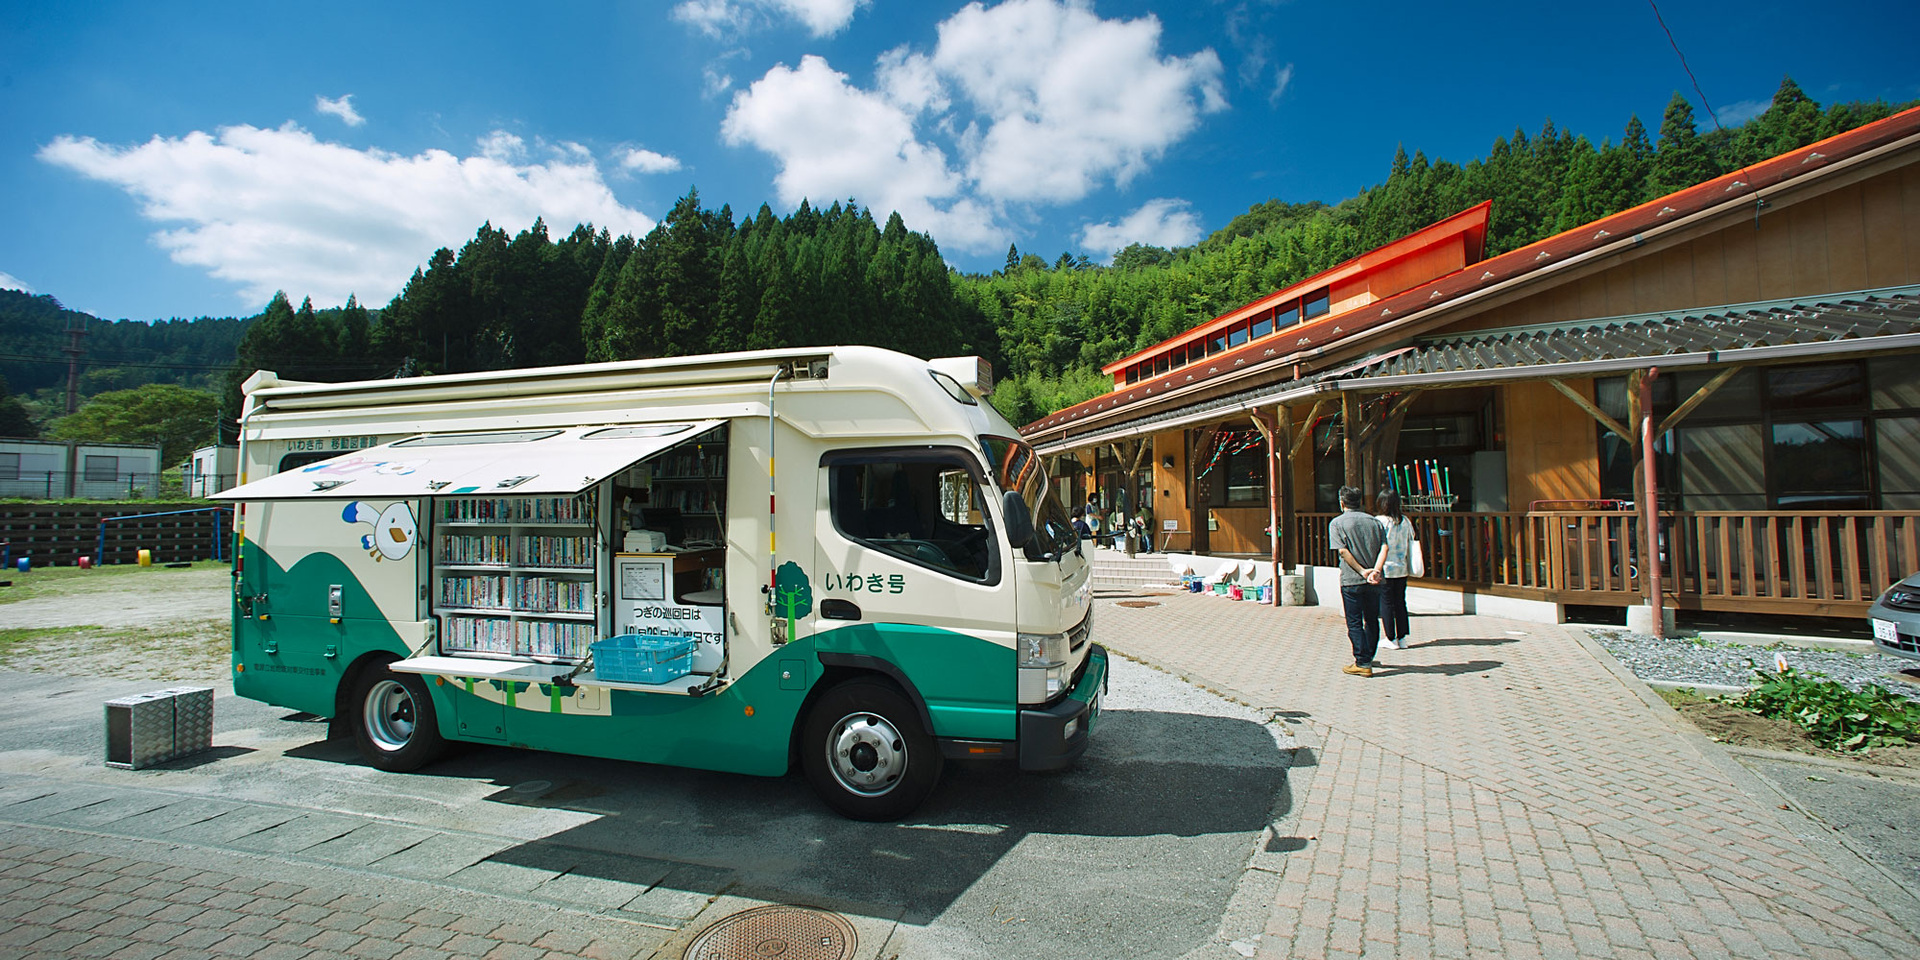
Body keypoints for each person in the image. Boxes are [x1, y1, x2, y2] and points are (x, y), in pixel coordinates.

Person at [1329, 485, 1387, 676]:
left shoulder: (1337, 524)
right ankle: (1368, 657)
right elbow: (1384, 548)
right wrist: (1376, 571)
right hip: (1375, 579)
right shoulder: (1375, 522)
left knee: (1354, 622)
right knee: (1372, 619)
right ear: (1360, 502)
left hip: (1352, 578)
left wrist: (1363, 571)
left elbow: (1343, 552)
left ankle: (1362, 661)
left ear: (1342, 502)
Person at [1373, 489, 1416, 650]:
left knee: (1386, 602)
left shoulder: (1379, 521)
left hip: (1384, 567)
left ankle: (1390, 637)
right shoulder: (1404, 521)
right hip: (1402, 567)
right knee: (1400, 602)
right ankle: (1402, 637)